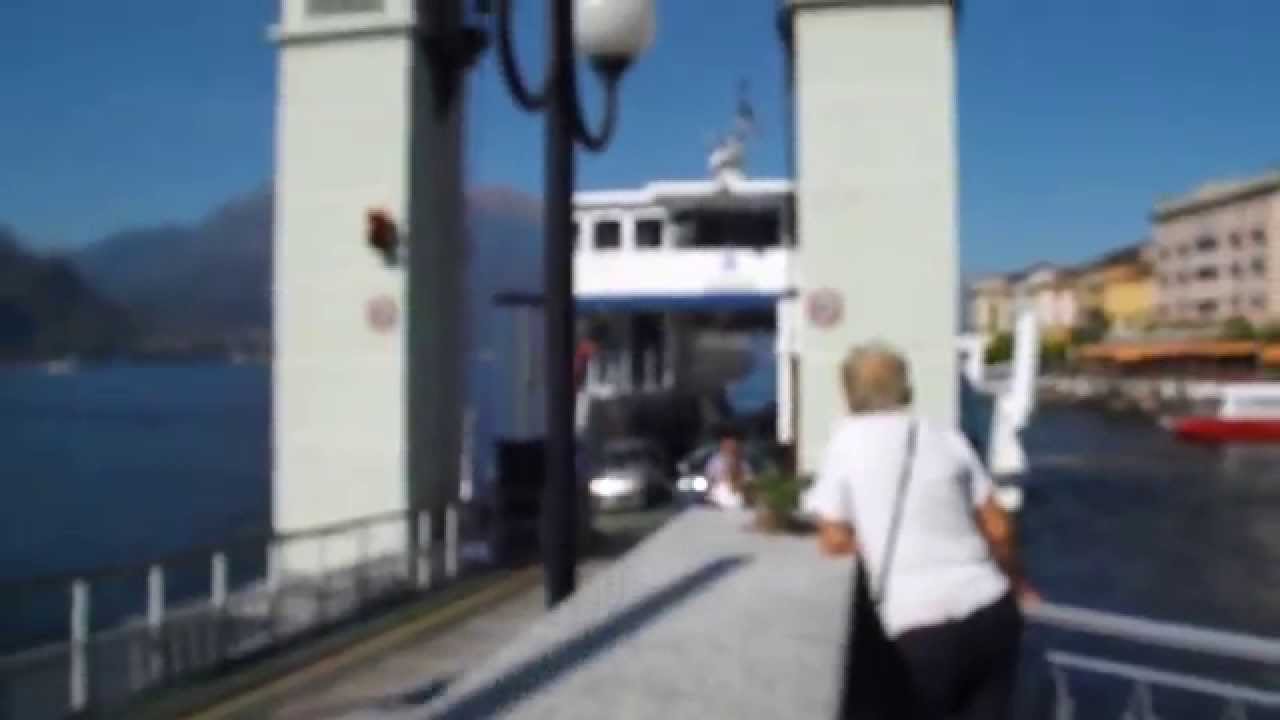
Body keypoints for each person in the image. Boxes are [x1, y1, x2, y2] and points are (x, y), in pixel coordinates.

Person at [804, 343, 1038, 720]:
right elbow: (999, 526)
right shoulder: (946, 436)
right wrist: (1018, 582)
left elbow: (833, 539)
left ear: (848, 393)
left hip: (918, 627)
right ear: (906, 388)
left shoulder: (845, 443)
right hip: (990, 610)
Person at [704, 428, 754, 509]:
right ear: (722, 444)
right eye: (727, 443)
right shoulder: (714, 462)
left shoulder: (743, 463)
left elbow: (749, 481)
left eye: (733, 443)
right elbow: (711, 482)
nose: (731, 446)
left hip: (738, 501)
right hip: (720, 502)